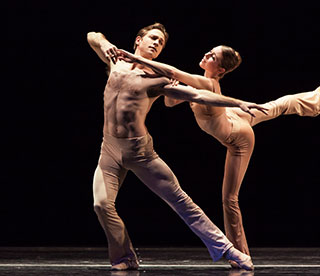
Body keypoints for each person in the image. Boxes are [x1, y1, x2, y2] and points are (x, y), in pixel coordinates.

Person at [117, 45, 320, 267]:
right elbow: (170, 102)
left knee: (229, 199)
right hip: (233, 115)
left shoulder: (209, 83)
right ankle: (314, 97)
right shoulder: (199, 81)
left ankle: (241, 254)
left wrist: (135, 58)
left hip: (239, 137)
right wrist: (173, 89)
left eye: (212, 56)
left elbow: (172, 71)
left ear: (219, 70)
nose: (206, 54)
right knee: (275, 106)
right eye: (209, 51)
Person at [87, 23, 267, 271]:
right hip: (109, 150)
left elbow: (199, 96)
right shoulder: (115, 62)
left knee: (182, 202)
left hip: (140, 152)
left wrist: (236, 102)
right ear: (138, 40)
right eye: (152, 38)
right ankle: (124, 257)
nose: (156, 44)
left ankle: (227, 250)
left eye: (160, 43)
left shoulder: (159, 79)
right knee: (101, 204)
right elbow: (93, 35)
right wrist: (105, 43)